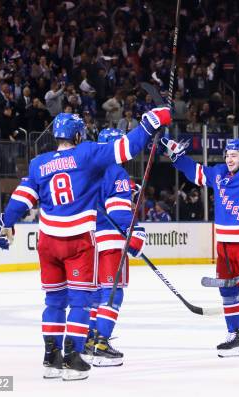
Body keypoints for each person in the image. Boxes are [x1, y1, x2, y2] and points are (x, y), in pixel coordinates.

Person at [0, 108, 171, 380]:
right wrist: (150, 122)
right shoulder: (87, 153)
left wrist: (5, 223)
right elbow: (127, 147)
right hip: (77, 242)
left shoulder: (39, 163)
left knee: (53, 301)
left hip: (48, 242)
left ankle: (50, 359)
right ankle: (73, 358)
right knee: (80, 302)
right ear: (77, 135)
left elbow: (22, 198)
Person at [161, 137, 239, 359]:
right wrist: (176, 157)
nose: (228, 159)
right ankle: (234, 335)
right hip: (224, 245)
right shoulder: (219, 173)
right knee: (228, 291)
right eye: (227, 155)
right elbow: (194, 171)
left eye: (233, 155)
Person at [84, 128, 146, 367]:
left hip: (88, 240)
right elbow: (120, 214)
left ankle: (89, 339)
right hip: (110, 241)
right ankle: (101, 343)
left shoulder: (88, 171)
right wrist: (134, 231)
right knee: (113, 291)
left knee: (96, 292)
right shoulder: (116, 171)